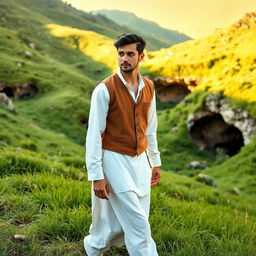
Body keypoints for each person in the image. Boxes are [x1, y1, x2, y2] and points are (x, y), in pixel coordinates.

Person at [84, 33, 162, 256]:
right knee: (139, 227)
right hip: (114, 160)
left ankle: (94, 246)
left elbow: (150, 128)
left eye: (130, 54)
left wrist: (155, 162)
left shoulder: (149, 87)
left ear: (141, 56)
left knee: (118, 223)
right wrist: (96, 175)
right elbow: (93, 135)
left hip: (141, 164)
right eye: (121, 54)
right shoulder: (104, 89)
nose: (124, 59)